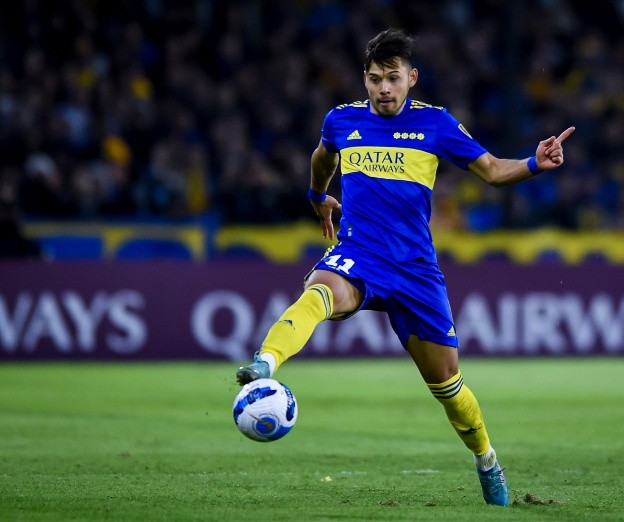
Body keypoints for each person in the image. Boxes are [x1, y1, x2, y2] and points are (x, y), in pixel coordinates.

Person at [236, 28, 574, 507]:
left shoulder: (436, 124)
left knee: (448, 387)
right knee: (320, 290)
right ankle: (265, 363)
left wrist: (534, 163)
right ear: (365, 79)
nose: (384, 89)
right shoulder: (341, 120)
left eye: (393, 78)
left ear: (411, 78)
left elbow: (493, 170)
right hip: (361, 253)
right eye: (375, 79)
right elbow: (322, 157)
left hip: (415, 270)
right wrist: (316, 196)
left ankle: (486, 460)